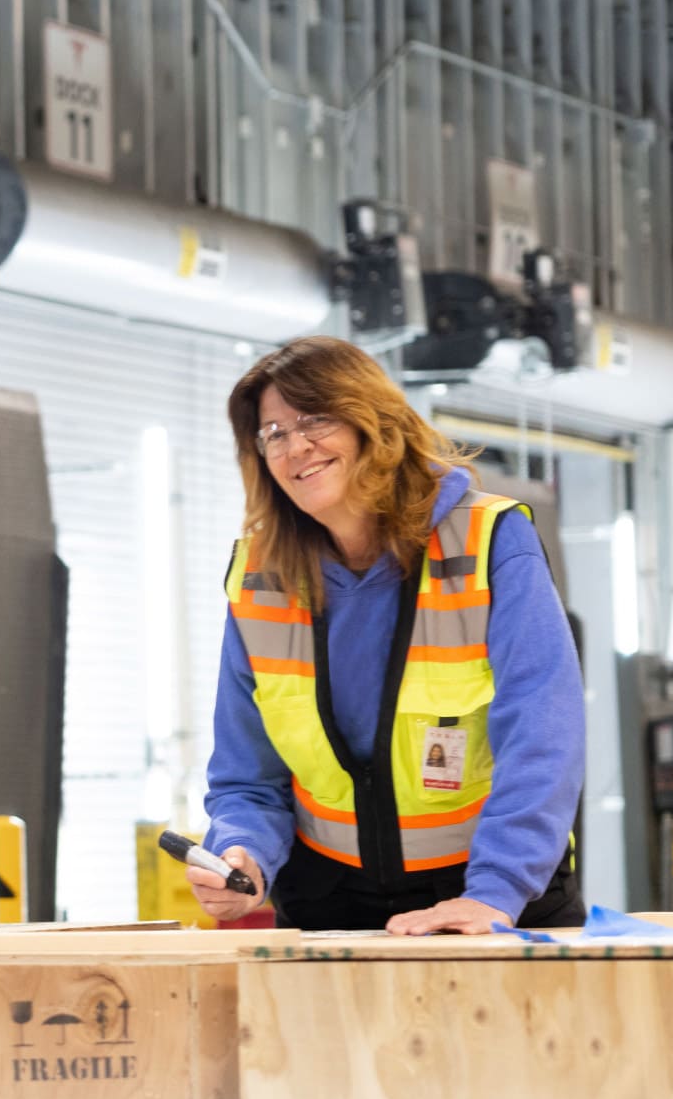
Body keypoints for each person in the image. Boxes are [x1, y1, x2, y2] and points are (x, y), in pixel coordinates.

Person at [191, 336, 585, 934]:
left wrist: (496, 893)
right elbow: (248, 772)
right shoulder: (260, 577)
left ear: (369, 422)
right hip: (328, 898)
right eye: (272, 433)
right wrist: (242, 854)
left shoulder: (488, 541)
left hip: (485, 893)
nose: (295, 446)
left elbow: (542, 734)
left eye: (313, 420)